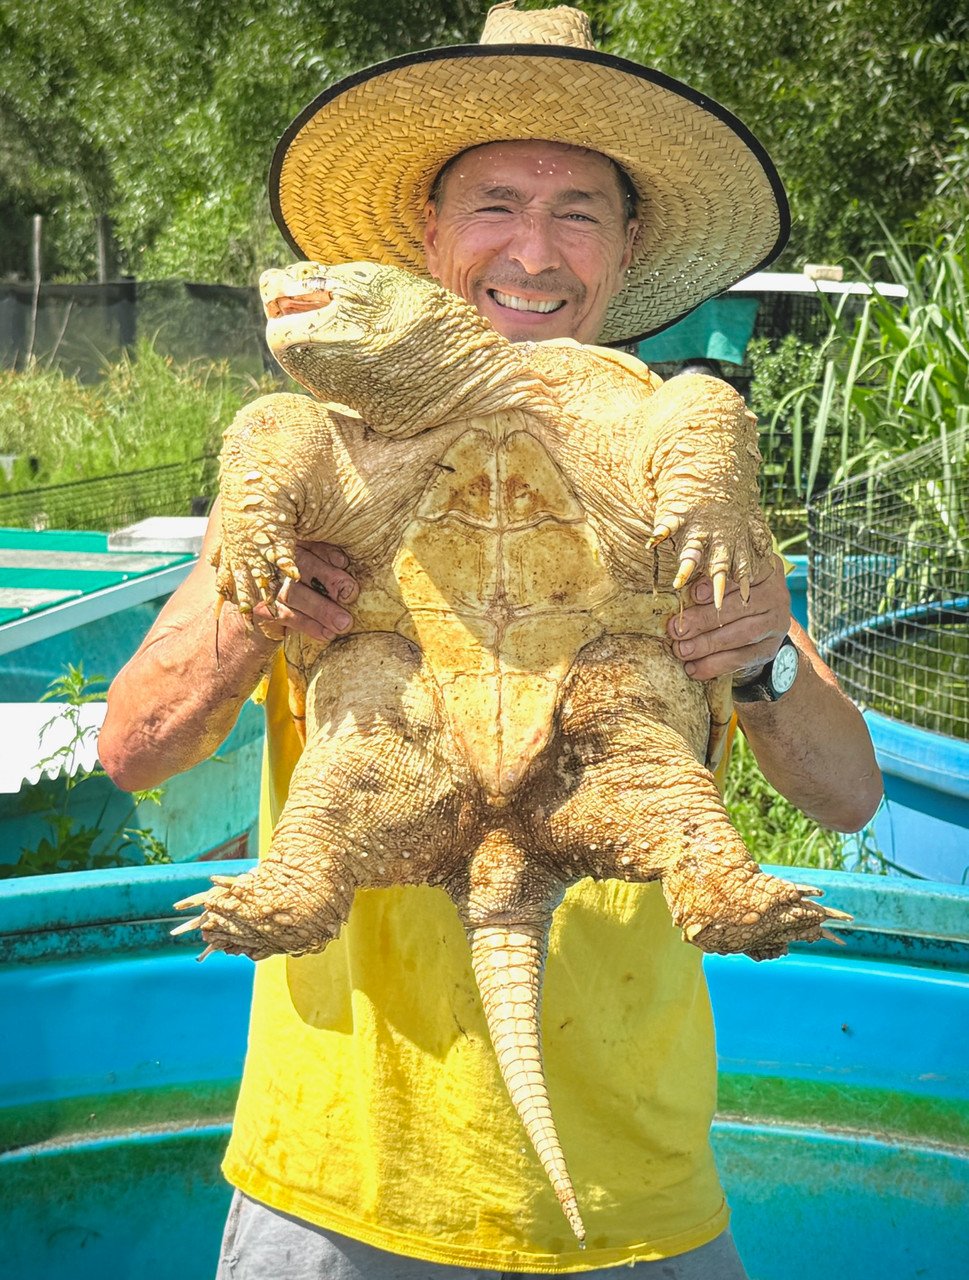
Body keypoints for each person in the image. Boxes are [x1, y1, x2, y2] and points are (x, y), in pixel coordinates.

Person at [99, 5, 882, 1277]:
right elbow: (136, 746)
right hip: (343, 1184)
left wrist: (762, 654)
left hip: (636, 1187)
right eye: (495, 204)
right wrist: (263, 603)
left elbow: (847, 795)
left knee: (672, 792)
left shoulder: (670, 453)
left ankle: (715, 879)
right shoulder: (327, 447)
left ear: (628, 246)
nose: (534, 248)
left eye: (578, 209)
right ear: (428, 238)